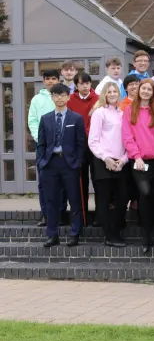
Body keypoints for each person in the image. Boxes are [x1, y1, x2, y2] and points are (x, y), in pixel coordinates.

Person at [122, 78, 154, 254]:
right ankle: (146, 237)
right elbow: (127, 136)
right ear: (138, 90)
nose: (146, 92)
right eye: (143, 89)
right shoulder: (129, 111)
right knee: (145, 193)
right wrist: (137, 157)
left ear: (153, 92)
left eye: (149, 89)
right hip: (139, 162)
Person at [37, 83, 85, 247]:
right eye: (56, 95)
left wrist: (77, 162)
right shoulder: (45, 119)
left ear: (68, 96)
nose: (59, 98)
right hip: (50, 163)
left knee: (74, 199)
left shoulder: (76, 118)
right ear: (52, 97)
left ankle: (75, 233)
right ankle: (52, 235)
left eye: (62, 94)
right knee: (51, 201)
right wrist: (41, 162)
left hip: (69, 163)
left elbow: (81, 143)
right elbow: (41, 144)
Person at [88, 82, 129, 247]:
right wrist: (106, 158)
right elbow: (93, 141)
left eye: (115, 91)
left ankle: (116, 230)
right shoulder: (99, 113)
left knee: (123, 197)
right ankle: (110, 236)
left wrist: (124, 159)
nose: (112, 94)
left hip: (121, 162)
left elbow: (127, 139)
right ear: (104, 94)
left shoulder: (122, 113)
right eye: (109, 91)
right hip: (103, 161)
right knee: (103, 200)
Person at [28, 69, 60, 227]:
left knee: (60, 182)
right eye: (48, 79)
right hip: (42, 146)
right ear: (43, 80)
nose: (51, 81)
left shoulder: (62, 96)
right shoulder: (36, 99)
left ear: (58, 80)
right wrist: (40, 139)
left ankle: (60, 214)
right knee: (44, 182)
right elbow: (32, 121)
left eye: (54, 79)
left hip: (61, 145)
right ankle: (45, 214)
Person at [67, 72, 98, 226]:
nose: (85, 86)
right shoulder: (70, 100)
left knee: (98, 179)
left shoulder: (98, 99)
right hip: (78, 145)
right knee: (81, 180)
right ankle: (83, 215)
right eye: (81, 83)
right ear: (76, 85)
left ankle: (100, 215)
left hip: (96, 145)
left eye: (87, 83)